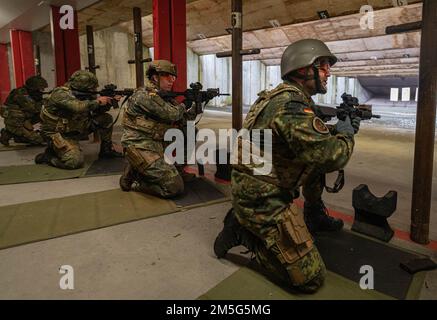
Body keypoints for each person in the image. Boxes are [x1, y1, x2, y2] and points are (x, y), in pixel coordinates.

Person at [214, 39, 361, 293]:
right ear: (304, 69)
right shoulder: (291, 106)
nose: (328, 72)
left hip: (261, 182)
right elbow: (332, 156)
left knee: (312, 161)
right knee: (310, 278)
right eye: (323, 66)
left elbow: (309, 139)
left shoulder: (286, 98)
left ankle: (313, 213)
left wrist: (338, 129)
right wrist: (347, 134)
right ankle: (243, 231)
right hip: (261, 198)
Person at [119, 60, 196, 198]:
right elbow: (172, 114)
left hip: (157, 141)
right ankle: (137, 177)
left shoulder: (163, 96)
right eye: (167, 76)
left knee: (189, 131)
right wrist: (185, 103)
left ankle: (177, 168)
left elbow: (182, 119)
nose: (172, 80)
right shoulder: (144, 95)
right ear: (155, 77)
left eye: (173, 77)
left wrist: (196, 105)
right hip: (140, 144)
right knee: (175, 188)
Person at [35, 70, 122, 169]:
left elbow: (96, 110)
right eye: (91, 88)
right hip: (59, 133)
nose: (93, 90)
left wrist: (108, 102)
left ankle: (106, 150)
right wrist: (98, 101)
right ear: (82, 87)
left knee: (106, 118)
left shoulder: (84, 94)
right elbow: (77, 107)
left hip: (77, 127)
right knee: (74, 162)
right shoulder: (60, 94)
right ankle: (48, 157)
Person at [0, 75, 48, 146]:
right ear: (33, 88)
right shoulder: (22, 94)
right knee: (38, 140)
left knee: (40, 115)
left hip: (21, 118)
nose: (42, 91)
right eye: (40, 89)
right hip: (14, 119)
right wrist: (48, 101)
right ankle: (8, 133)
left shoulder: (29, 93)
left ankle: (14, 134)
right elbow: (34, 108)